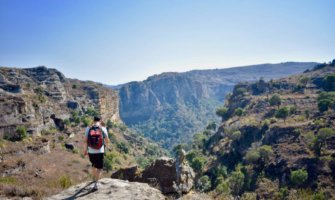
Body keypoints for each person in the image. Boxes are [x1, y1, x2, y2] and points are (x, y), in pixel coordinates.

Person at [83, 116, 109, 190]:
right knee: (100, 168)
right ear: (100, 120)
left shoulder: (88, 128)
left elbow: (85, 140)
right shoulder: (103, 128)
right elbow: (107, 140)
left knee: (94, 165)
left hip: (91, 151)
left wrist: (85, 150)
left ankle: (95, 179)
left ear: (93, 120)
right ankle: (96, 184)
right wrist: (105, 146)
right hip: (100, 151)